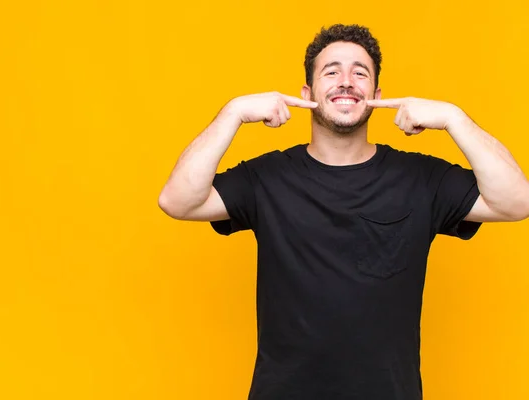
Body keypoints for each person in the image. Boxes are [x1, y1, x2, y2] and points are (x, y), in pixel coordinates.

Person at [157, 24, 529, 400]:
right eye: (331, 71)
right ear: (307, 93)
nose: (346, 82)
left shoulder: (420, 178)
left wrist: (454, 118)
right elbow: (178, 201)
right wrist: (233, 113)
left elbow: (516, 202)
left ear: (376, 94)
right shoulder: (265, 178)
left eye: (360, 72)